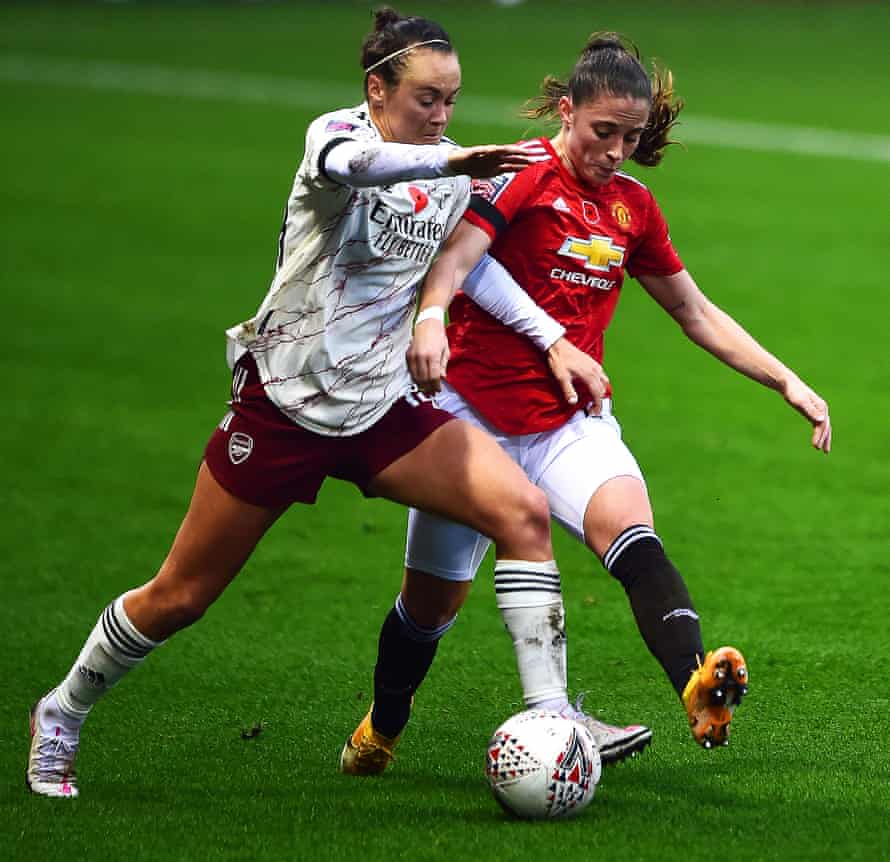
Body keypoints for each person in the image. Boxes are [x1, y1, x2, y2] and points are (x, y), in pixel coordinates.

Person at [25, 8, 601, 799]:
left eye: (451, 100)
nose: (441, 116)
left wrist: (549, 338)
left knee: (522, 512)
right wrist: (451, 161)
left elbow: (467, 266)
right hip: (285, 406)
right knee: (182, 595)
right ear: (377, 89)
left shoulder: (445, 170)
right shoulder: (336, 137)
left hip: (383, 409)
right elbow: (358, 166)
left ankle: (552, 722)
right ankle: (62, 711)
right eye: (427, 99)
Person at [343, 31, 832, 772]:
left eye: (630, 138)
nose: (616, 151)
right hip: (469, 418)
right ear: (567, 111)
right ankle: (382, 727)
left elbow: (694, 311)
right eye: (604, 132)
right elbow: (456, 259)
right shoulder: (519, 176)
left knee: (634, 535)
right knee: (428, 608)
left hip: (568, 421)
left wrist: (786, 380)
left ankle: (695, 684)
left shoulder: (634, 208)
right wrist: (431, 319)